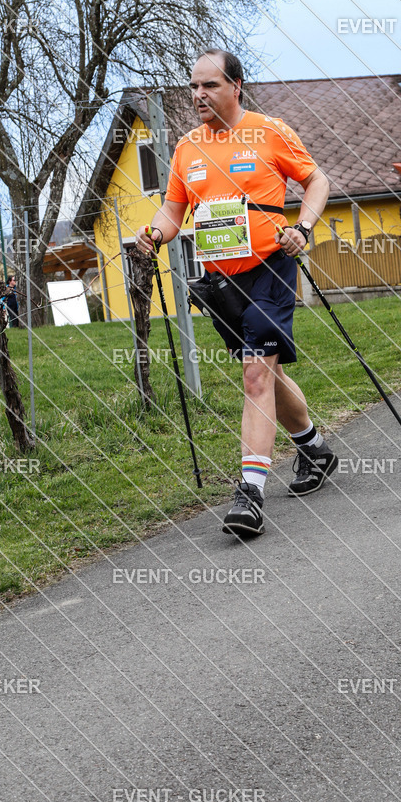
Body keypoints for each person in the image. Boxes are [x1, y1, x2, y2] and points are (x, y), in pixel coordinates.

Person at [135, 49, 337, 538]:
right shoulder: (187, 148)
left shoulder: (270, 131)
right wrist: (155, 233)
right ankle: (314, 449)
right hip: (221, 283)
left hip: (270, 269)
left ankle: (250, 495)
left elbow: (317, 180)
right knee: (268, 372)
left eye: (210, 85)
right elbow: (173, 209)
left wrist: (303, 228)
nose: (198, 95)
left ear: (236, 86)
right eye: (193, 86)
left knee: (254, 375)